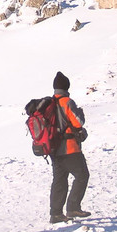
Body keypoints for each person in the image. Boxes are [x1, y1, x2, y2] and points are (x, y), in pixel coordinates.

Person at [49, 71, 90, 223]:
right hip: (69, 148)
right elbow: (78, 122)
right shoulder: (67, 102)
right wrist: (80, 112)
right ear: (67, 87)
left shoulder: (49, 103)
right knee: (82, 175)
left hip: (53, 149)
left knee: (59, 180)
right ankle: (73, 207)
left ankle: (56, 214)